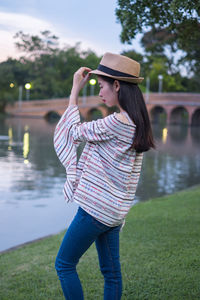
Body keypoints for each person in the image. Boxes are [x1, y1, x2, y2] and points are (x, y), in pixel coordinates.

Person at [54, 52, 155, 300]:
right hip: (115, 213)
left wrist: (75, 90)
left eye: (101, 86)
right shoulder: (136, 121)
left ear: (117, 85)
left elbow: (72, 132)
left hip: (95, 211)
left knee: (64, 264)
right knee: (111, 273)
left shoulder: (115, 123)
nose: (99, 93)